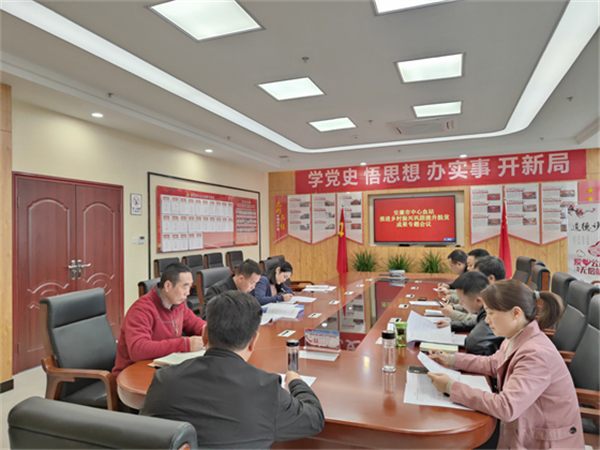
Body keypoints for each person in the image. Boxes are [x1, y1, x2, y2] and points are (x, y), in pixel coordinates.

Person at [140, 291, 325, 449]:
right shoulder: (266, 389)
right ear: (253, 341)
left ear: (204, 335)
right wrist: (295, 381)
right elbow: (315, 419)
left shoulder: (163, 380)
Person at [427, 280, 583, 449]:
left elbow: (507, 407)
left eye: (491, 313)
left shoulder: (536, 354)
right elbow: (493, 364)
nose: (487, 320)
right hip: (521, 425)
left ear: (516, 313)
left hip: (540, 442)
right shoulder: (516, 335)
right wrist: (451, 359)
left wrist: (451, 387)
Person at [112, 263, 206, 377]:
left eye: (190, 287)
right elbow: (138, 350)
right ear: (168, 286)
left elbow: (196, 324)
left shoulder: (178, 304)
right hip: (132, 375)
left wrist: (211, 332)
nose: (188, 293)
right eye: (184, 287)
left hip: (162, 370)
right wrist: (185, 344)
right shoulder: (141, 310)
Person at [436, 271, 504, 356]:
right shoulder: (490, 305)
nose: (460, 303)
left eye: (462, 300)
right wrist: (451, 325)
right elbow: (476, 322)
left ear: (478, 301)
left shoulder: (491, 315)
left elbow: (472, 344)